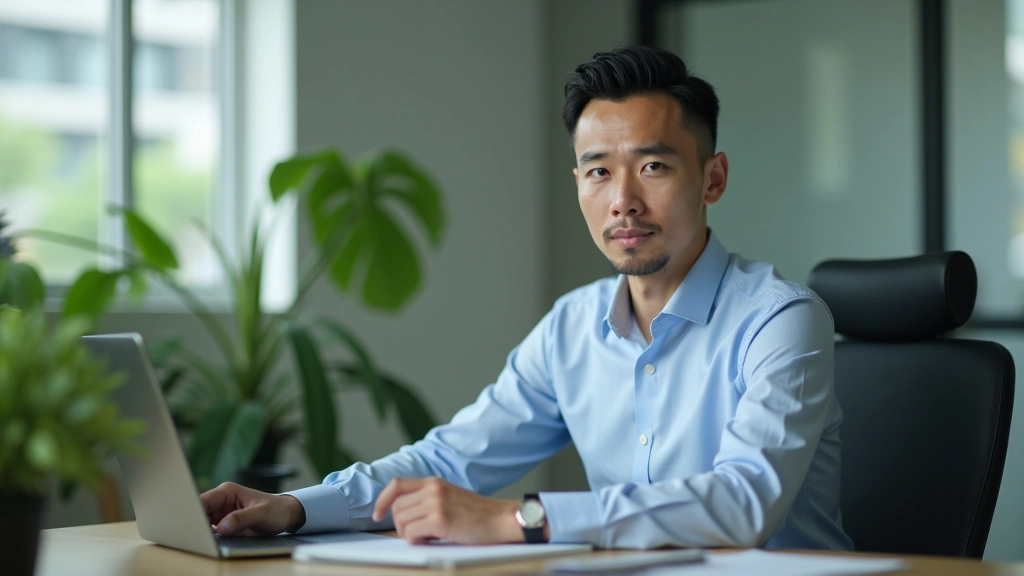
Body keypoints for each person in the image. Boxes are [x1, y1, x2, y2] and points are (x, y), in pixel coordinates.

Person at [200, 45, 853, 551]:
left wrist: (519, 518)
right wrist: (295, 508)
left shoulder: (781, 319)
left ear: (713, 178)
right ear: (578, 184)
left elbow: (743, 504)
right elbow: (449, 459)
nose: (622, 198)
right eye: (599, 171)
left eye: (653, 166)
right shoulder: (572, 328)